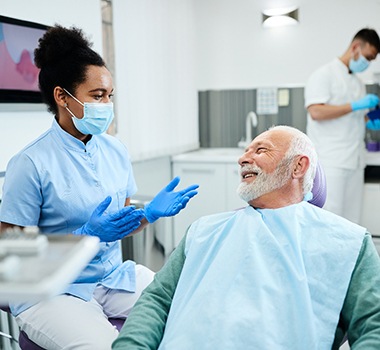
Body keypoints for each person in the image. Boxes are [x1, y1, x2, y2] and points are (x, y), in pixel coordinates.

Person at [0, 25, 198, 349]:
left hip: (112, 278)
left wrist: (147, 214)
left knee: (191, 304)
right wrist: (84, 238)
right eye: (97, 96)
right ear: (62, 96)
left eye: (110, 95)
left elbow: (118, 223)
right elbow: (14, 265)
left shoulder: (114, 150)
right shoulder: (30, 164)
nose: (107, 104)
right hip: (53, 291)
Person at [112, 126, 380, 350]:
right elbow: (157, 300)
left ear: (299, 166)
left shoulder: (348, 242)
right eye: (245, 151)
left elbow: (373, 326)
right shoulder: (204, 231)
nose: (243, 159)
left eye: (261, 150)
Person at [304, 28, 380, 224]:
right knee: (330, 219)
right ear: (356, 47)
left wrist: (371, 122)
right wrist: (355, 105)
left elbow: (358, 116)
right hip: (332, 161)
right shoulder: (323, 75)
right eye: (368, 57)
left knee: (352, 222)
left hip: (355, 160)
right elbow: (316, 112)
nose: (369, 63)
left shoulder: (358, 83)